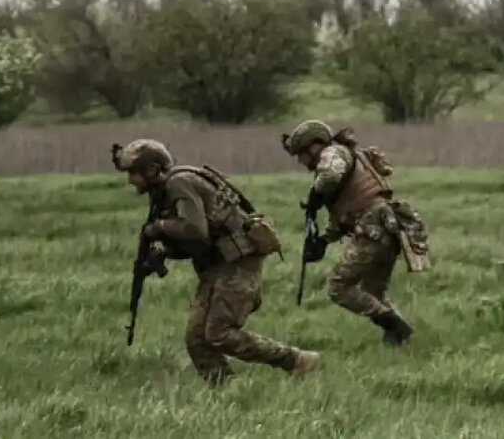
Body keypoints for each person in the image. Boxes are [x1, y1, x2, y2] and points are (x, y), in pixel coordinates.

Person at [111, 139, 320, 385]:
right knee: (197, 339)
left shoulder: (179, 183)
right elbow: (197, 242)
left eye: (133, 173)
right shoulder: (166, 189)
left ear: (151, 169)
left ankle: (296, 360)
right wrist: (164, 252)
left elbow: (194, 229)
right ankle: (228, 392)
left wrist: (158, 227)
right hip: (216, 265)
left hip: (237, 262)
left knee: (219, 334)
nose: (130, 180)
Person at [282, 120, 430, 346]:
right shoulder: (347, 154)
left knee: (338, 287)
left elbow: (330, 177)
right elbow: (346, 208)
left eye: (301, 154)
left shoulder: (333, 153)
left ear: (315, 146)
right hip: (385, 229)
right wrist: (324, 240)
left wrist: (315, 193)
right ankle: (402, 339)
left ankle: (397, 327)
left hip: (373, 229)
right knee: (373, 293)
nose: (301, 161)